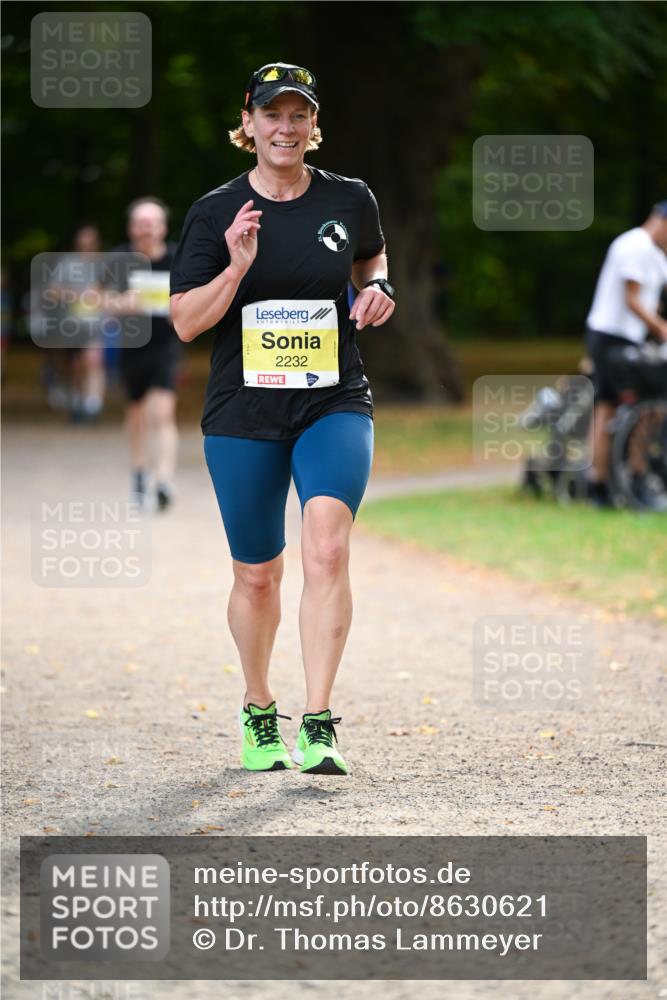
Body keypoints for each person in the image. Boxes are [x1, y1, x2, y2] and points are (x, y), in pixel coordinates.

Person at [170, 63, 395, 776]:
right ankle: (259, 708)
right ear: (250, 123)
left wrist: (377, 288)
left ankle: (320, 721)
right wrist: (235, 268)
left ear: (312, 124)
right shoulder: (215, 212)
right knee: (257, 575)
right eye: (273, 114)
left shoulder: (349, 197)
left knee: (327, 546)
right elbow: (182, 323)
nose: (285, 127)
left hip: (333, 398)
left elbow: (369, 258)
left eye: (298, 115)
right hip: (243, 410)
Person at [585, 201, 667, 507]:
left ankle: (600, 485)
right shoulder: (635, 245)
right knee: (650, 403)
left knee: (606, 408)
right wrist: (660, 328)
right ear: (661, 221)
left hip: (617, 337)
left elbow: (650, 300)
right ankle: (637, 476)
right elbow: (631, 299)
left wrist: (656, 321)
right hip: (613, 338)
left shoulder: (654, 254)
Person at [114, 198, 182, 511]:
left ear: (162, 228)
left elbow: (193, 295)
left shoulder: (178, 257)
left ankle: (164, 480)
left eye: (151, 224)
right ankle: (140, 473)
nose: (146, 230)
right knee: (137, 413)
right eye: (140, 224)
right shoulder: (119, 259)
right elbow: (95, 298)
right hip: (131, 345)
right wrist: (118, 304)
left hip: (166, 344)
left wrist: (180, 310)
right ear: (131, 229)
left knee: (163, 413)